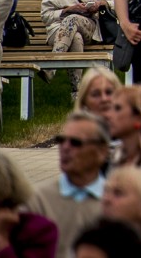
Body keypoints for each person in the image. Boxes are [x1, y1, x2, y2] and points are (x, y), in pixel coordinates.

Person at [28, 111, 111, 258]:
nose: (65, 147)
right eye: (61, 140)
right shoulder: (38, 200)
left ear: (102, 151)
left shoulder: (114, 200)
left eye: (76, 142)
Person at [40, 0, 114, 94]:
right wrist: (68, 9)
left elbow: (114, 2)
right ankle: (77, 92)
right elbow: (45, 16)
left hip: (89, 28)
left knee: (73, 20)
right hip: (57, 30)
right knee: (75, 36)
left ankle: (52, 66)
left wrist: (100, 4)